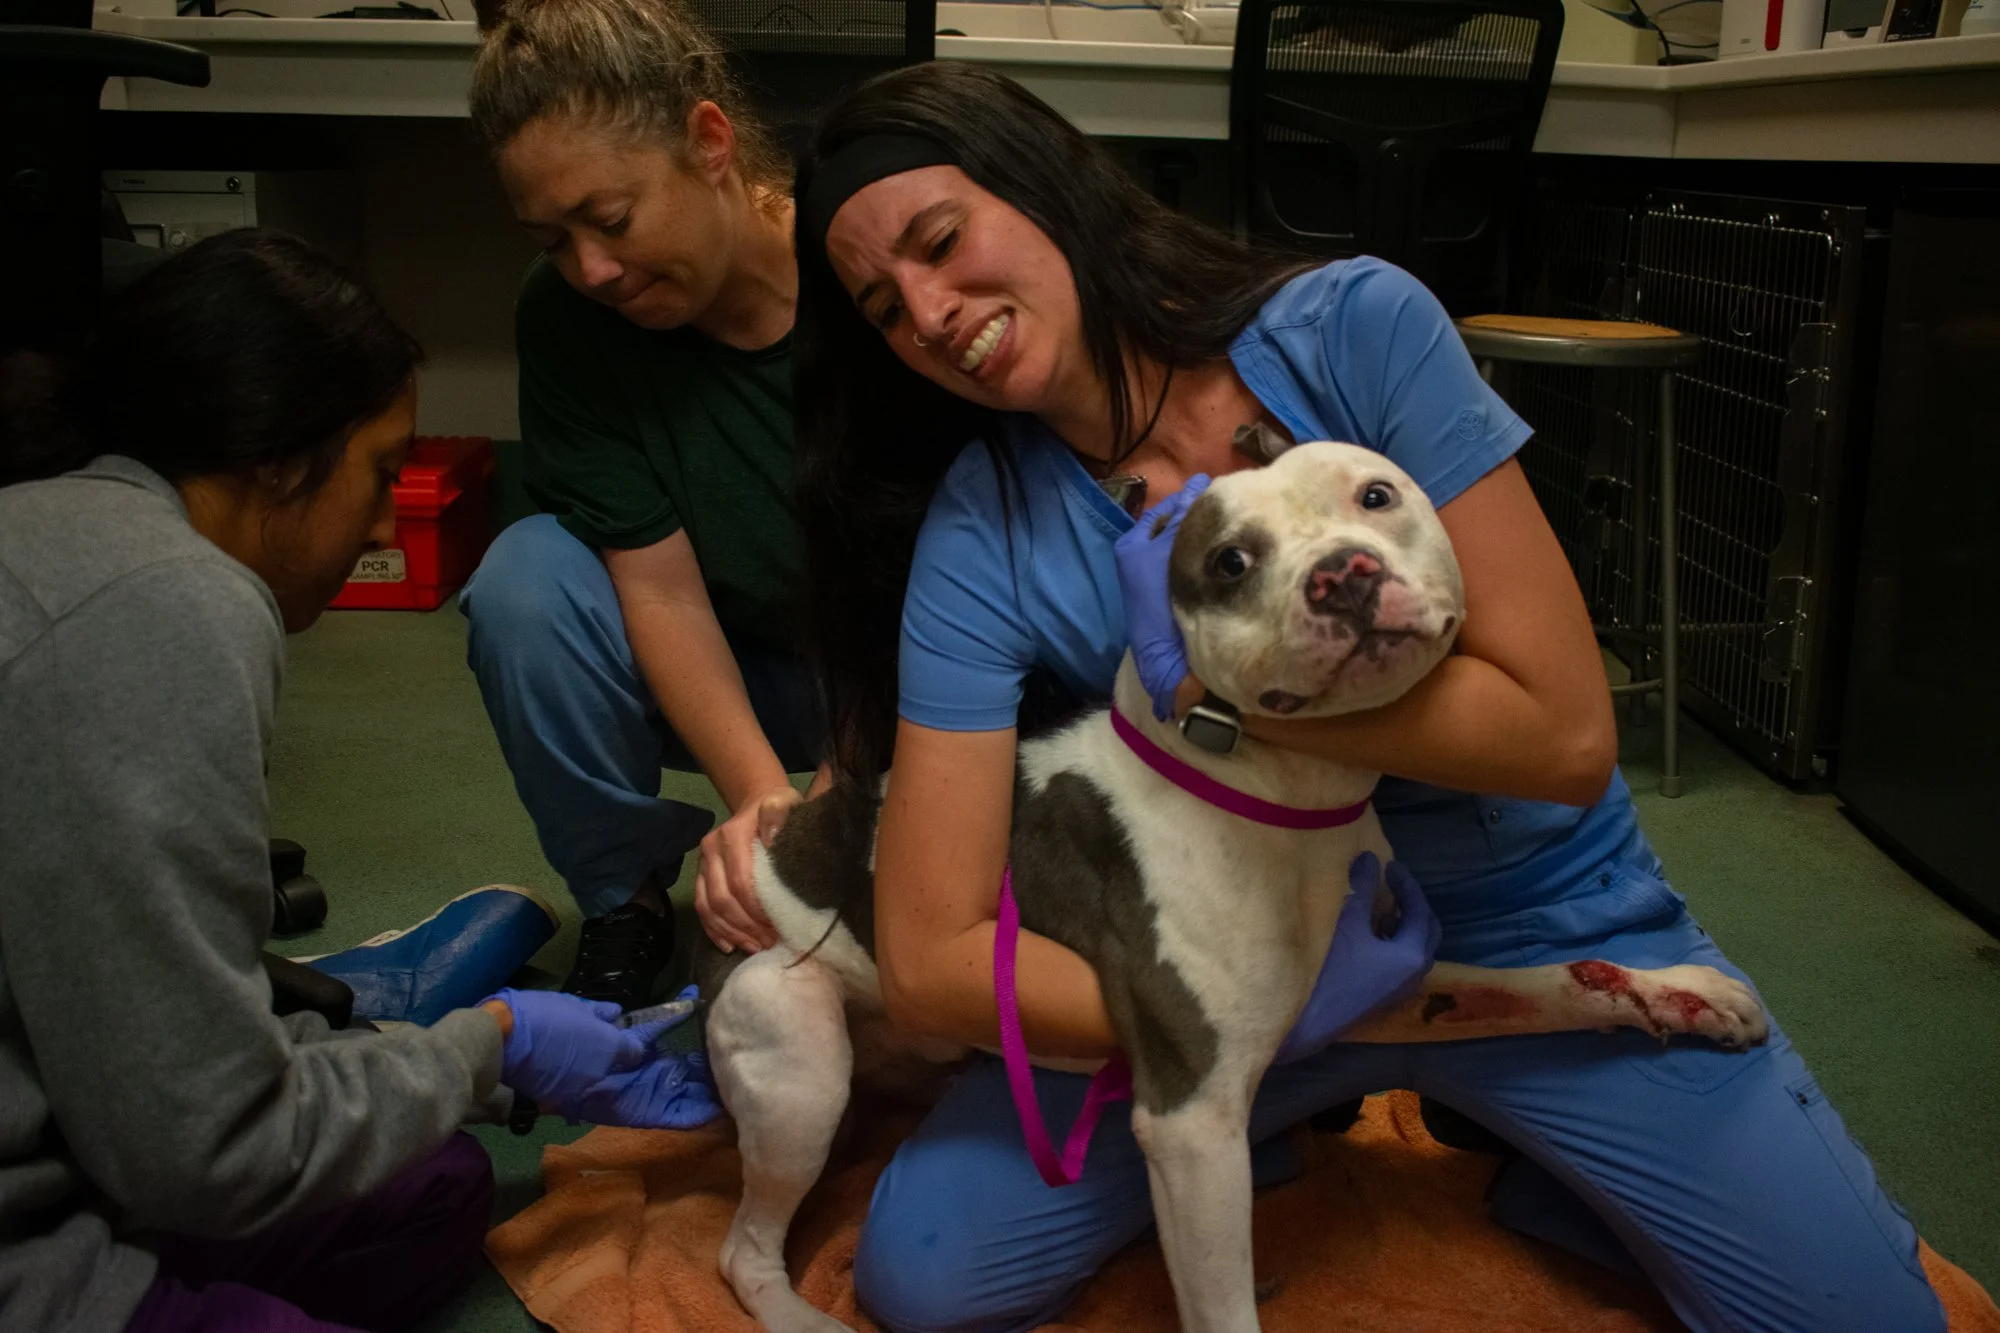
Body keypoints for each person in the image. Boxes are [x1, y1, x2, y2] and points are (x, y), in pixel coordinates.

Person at [765, 61, 1946, 1333]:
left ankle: (1513, 1118)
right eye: (887, 308)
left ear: (1043, 188)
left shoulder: (1352, 329)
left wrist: (1225, 694)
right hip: (1224, 949)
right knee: (931, 1277)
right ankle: (1324, 1100)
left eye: (942, 243)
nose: (933, 312)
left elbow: (1561, 735)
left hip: (1519, 904)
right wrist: (1236, 1018)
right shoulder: (980, 520)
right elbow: (941, 964)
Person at [0, 230, 718, 1333]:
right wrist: (494, 1047)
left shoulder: (66, 520)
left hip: (81, 1123)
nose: (390, 520)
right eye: (382, 470)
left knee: (431, 1188)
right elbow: (210, 1147)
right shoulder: (164, 604)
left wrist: (454, 1062)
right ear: (277, 457)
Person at [460, 0, 823, 1009]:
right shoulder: (568, 316)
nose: (593, 270)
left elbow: (959, 575)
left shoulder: (866, 273)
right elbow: (656, 591)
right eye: (552, 238)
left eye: (611, 221)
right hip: (725, 653)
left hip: (906, 660)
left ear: (709, 143)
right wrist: (760, 799)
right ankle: (624, 899)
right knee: (525, 583)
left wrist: (857, 779)